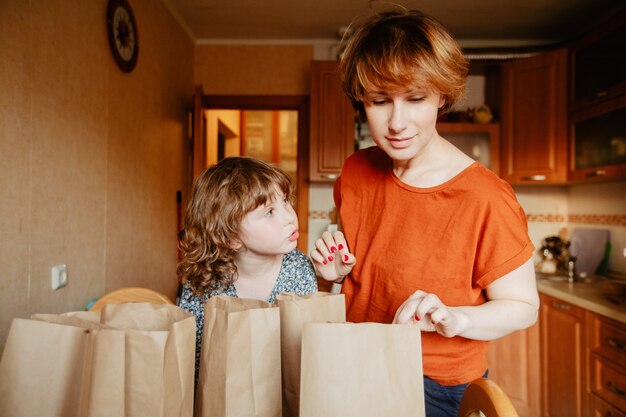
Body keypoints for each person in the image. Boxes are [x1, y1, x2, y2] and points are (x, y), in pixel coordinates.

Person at [310, 9, 540, 417]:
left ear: (442, 96)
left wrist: (458, 319)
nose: (397, 122)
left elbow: (523, 306)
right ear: (362, 102)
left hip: (432, 382)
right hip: (352, 356)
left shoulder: (487, 196)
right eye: (380, 101)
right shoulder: (355, 170)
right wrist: (331, 273)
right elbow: (364, 271)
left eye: (415, 99)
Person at [177, 156, 319, 377]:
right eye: (269, 212)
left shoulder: (298, 268)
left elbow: (306, 350)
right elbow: (192, 364)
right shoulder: (204, 285)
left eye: (285, 201)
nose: (290, 217)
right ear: (231, 237)